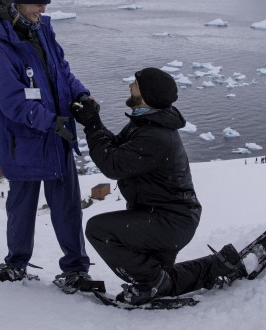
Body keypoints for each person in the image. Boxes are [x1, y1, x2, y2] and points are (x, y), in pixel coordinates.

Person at [71, 67, 247, 305]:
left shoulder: (155, 135)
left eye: (135, 84)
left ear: (148, 95)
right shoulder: (146, 122)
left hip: (169, 221)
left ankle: (152, 284)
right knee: (161, 277)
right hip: (164, 216)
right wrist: (95, 122)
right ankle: (216, 267)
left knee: (99, 230)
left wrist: (92, 126)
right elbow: (116, 149)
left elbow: (113, 164)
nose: (129, 86)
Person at [0, 0, 92, 290]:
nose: (43, 10)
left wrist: (81, 94)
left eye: (45, 4)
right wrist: (50, 121)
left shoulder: (42, 31)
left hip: (56, 137)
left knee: (68, 206)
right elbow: (11, 102)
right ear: (21, 1)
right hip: (24, 140)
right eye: (38, 4)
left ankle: (75, 269)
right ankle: (16, 264)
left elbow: (61, 72)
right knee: (22, 208)